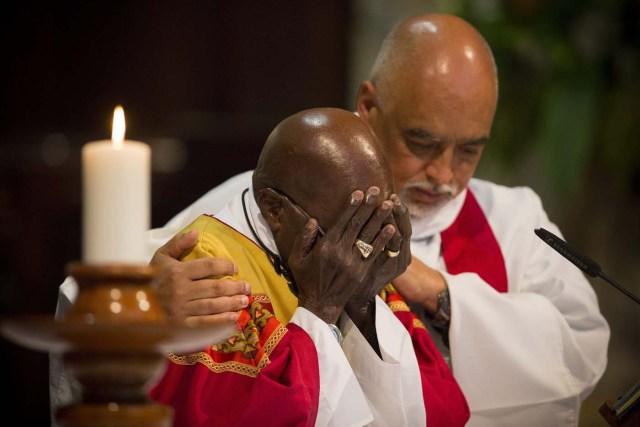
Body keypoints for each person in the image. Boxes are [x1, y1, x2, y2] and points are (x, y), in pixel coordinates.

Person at [52, 12, 610, 427]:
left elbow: (579, 354)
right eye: (422, 142)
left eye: (469, 151)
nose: (444, 174)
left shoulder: (512, 218)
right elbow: (93, 296)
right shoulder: (250, 214)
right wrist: (145, 301)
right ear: (369, 107)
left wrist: (431, 291)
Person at [148, 107, 470, 426]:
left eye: (380, 216)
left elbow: (440, 411)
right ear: (275, 211)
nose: (364, 249)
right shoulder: (208, 270)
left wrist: (362, 305)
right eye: (349, 227)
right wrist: (320, 307)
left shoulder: (359, 252)